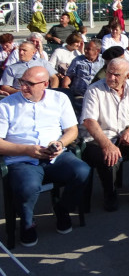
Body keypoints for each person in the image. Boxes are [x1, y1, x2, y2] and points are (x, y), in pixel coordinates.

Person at [0, 66, 90, 247]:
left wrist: (60, 144)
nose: (23, 87)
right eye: (22, 82)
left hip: (55, 156)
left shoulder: (59, 99)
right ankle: (27, 222)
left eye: (29, 84)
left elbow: (71, 130)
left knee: (83, 171)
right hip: (22, 159)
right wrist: (26, 150)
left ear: (45, 84)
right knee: (28, 186)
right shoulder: (6, 105)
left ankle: (63, 209)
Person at [81, 58, 129, 211]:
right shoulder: (94, 90)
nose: (111, 78)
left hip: (123, 134)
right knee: (110, 156)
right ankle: (110, 194)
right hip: (98, 138)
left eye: (116, 75)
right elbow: (89, 121)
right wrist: (107, 144)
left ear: (127, 76)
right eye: (109, 73)